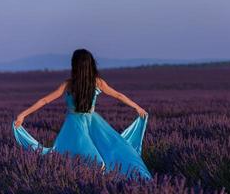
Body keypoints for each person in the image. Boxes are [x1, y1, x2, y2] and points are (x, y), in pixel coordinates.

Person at [12, 48, 152, 180]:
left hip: (76, 125)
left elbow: (45, 100)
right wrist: (137, 107)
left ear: (75, 66)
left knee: (91, 159)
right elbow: (119, 95)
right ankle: (99, 182)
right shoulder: (97, 82)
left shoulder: (69, 84)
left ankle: (97, 183)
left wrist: (23, 114)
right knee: (107, 153)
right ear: (91, 65)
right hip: (90, 123)